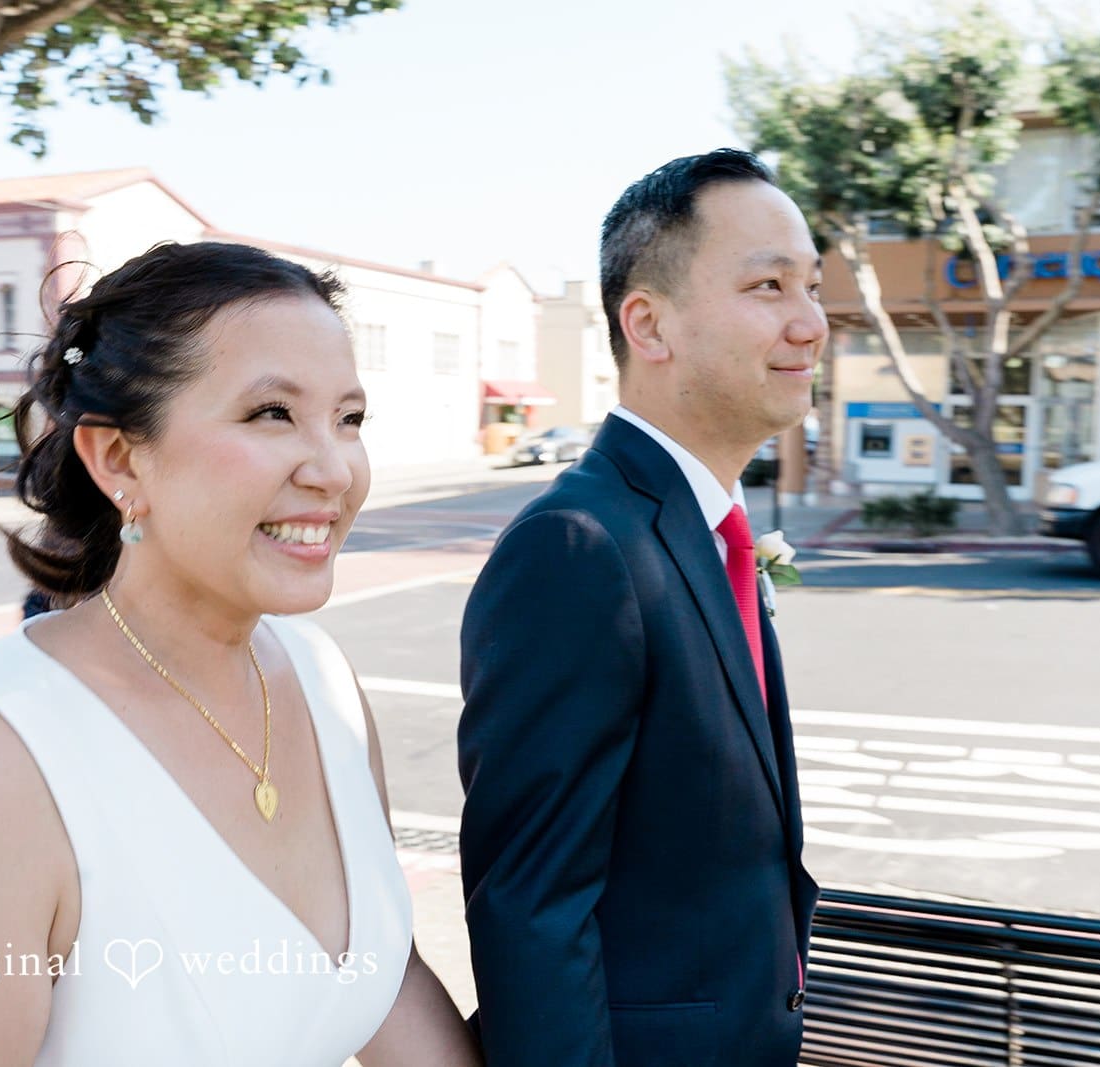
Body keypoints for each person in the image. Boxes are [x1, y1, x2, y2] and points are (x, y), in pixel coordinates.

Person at [0, 241, 481, 1067]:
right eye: (271, 413)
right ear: (119, 457)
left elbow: (380, 983)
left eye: (349, 419)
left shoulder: (321, 681)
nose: (334, 469)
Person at [457, 149, 825, 1067]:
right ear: (648, 324)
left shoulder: (711, 528)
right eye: (769, 286)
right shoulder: (577, 546)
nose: (811, 323)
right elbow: (532, 909)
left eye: (813, 287)